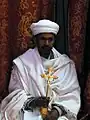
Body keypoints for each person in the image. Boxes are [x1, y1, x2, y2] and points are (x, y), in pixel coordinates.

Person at [0, 19, 81, 120]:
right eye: (43, 39)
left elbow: (72, 94)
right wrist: (33, 101)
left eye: (50, 39)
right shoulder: (22, 63)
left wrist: (56, 111)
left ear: (54, 40)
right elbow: (15, 93)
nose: (46, 43)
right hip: (31, 111)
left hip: (59, 114)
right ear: (35, 40)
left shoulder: (65, 65)